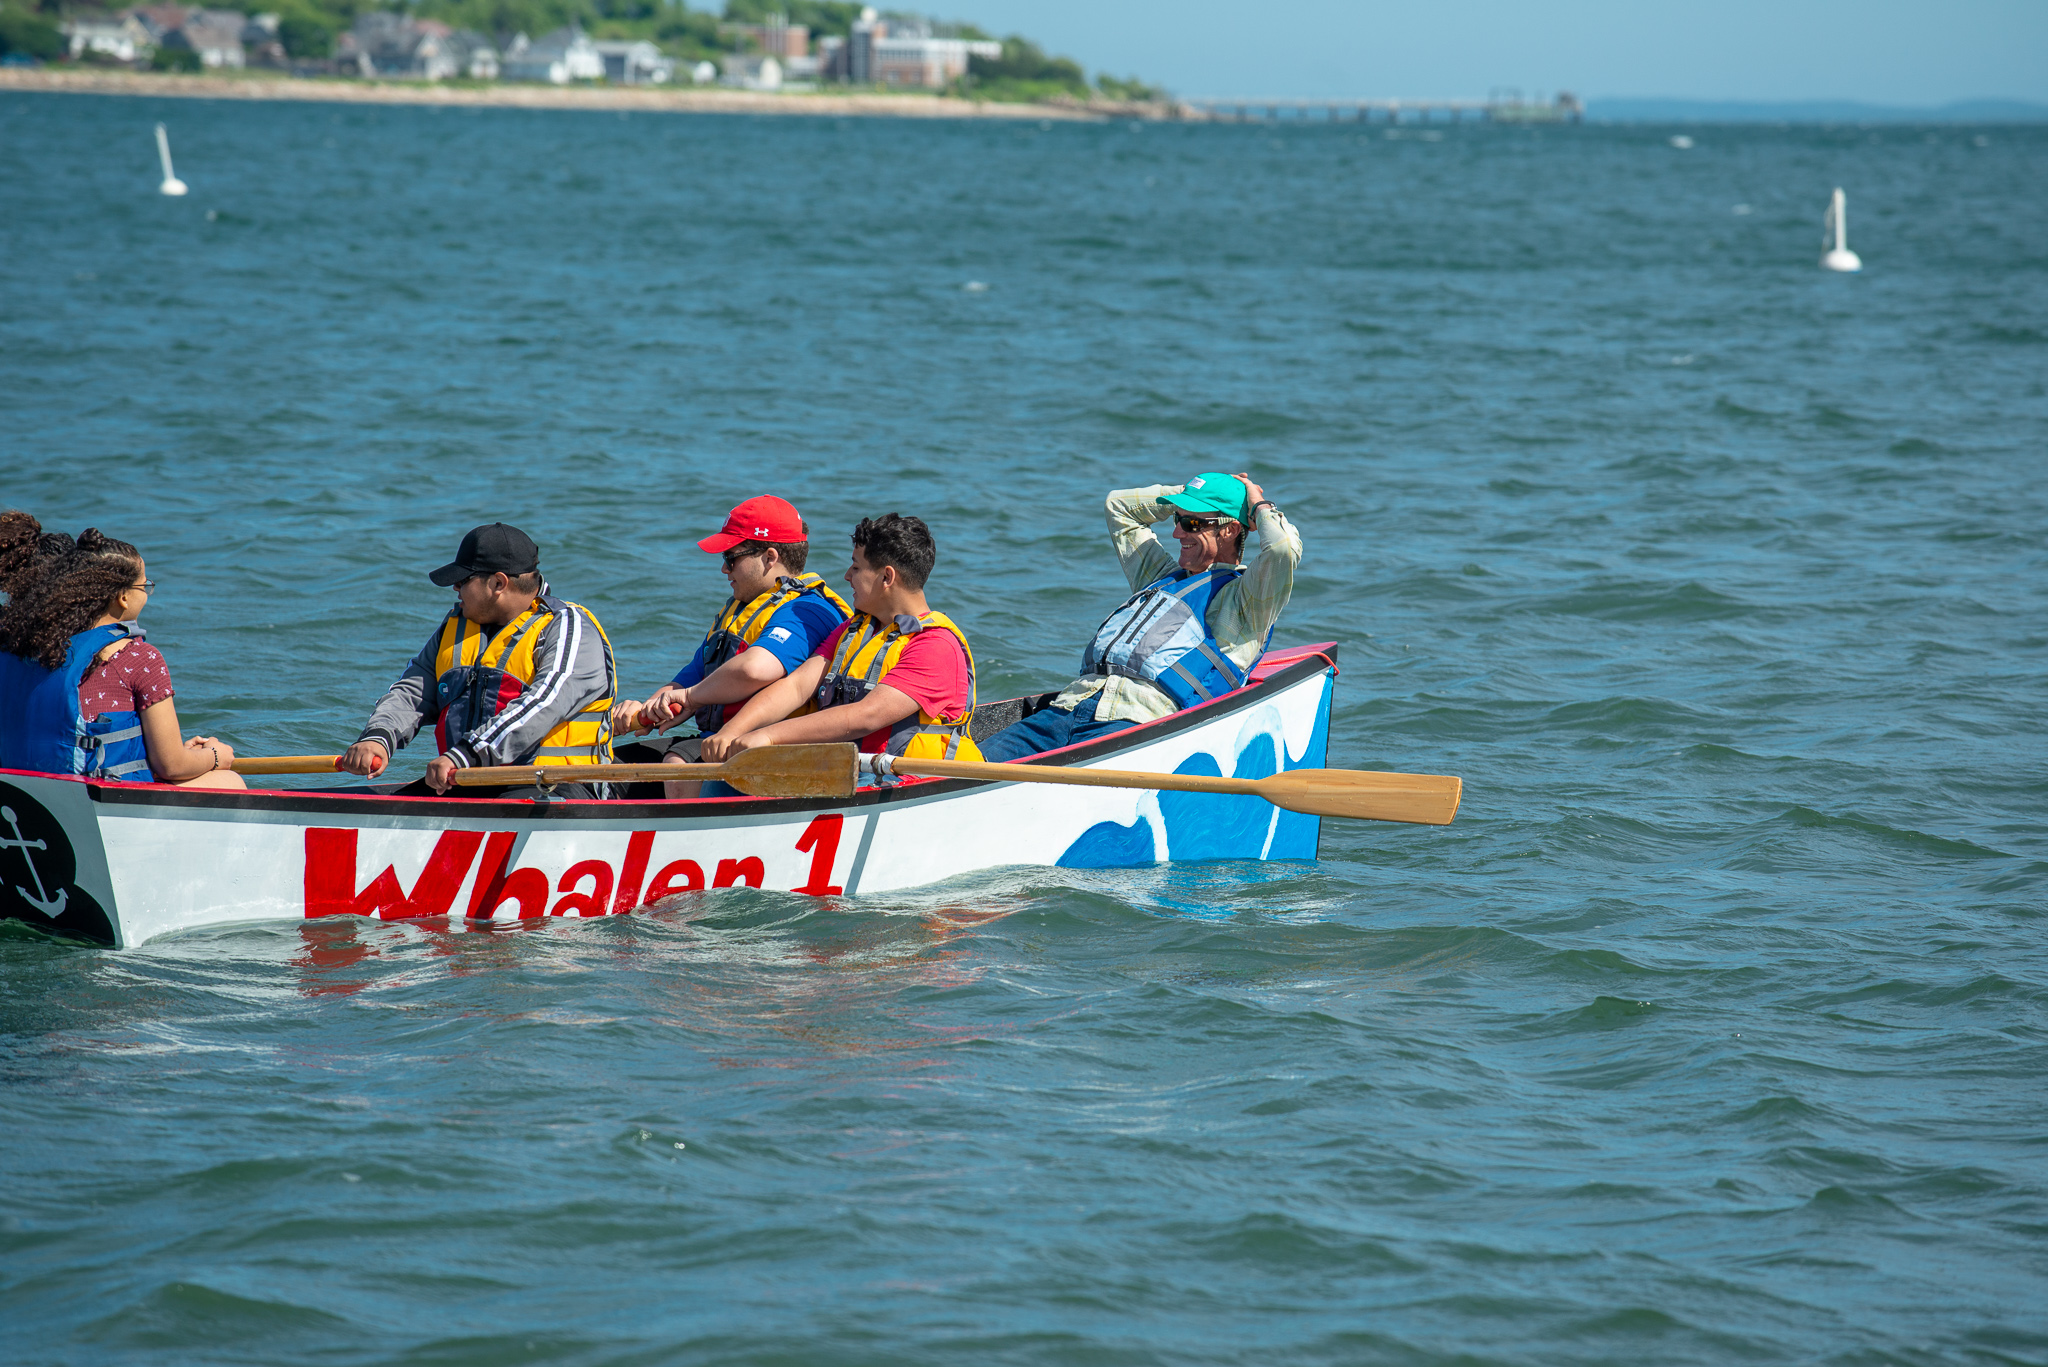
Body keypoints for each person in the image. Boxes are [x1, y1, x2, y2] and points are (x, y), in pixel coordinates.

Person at [980, 472, 1302, 762]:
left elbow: (1283, 548)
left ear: (1230, 530)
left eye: (1191, 523)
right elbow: (1118, 507)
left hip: (1132, 724)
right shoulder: (1159, 576)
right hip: (1064, 710)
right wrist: (1188, 493)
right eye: (1177, 518)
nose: (1176, 533)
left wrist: (1257, 504)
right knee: (963, 768)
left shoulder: (1244, 603)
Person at [338, 523, 619, 799]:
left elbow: (543, 705)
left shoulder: (570, 629)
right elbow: (411, 693)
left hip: (557, 786)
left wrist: (466, 755)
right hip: (466, 778)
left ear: (498, 583)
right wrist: (377, 737)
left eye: (463, 580)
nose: (455, 589)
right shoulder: (457, 626)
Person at [612, 496, 850, 798]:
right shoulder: (738, 612)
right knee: (607, 765)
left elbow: (754, 669)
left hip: (772, 751)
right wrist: (646, 708)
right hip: (711, 739)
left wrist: (690, 698)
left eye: (731, 557)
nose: (725, 569)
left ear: (769, 557)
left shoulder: (809, 612)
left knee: (678, 763)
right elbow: (688, 679)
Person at [701, 513, 982, 767]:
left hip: (906, 781)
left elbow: (867, 715)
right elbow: (797, 687)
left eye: (856, 568)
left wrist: (768, 737)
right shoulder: (852, 630)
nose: (847, 576)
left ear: (886, 577)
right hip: (846, 773)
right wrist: (733, 731)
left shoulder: (935, 647)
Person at [0, 514, 246, 788]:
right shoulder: (138, 658)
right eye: (145, 586)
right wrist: (214, 755)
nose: (147, 594)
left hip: (30, 793)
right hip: (102, 799)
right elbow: (171, 766)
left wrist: (187, 754)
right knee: (230, 781)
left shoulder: (27, 649)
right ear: (123, 597)